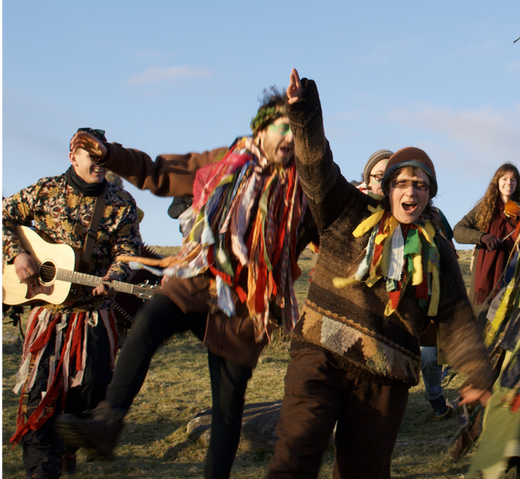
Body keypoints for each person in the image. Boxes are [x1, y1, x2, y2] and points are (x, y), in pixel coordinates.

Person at [56, 76, 315, 479]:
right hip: (196, 281)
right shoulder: (224, 162)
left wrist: (306, 111)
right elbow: (158, 171)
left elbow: (338, 219)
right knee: (147, 323)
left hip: (244, 307)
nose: (287, 137)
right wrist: (109, 153)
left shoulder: (306, 189)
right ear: (260, 128)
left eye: (295, 130)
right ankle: (108, 421)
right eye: (280, 126)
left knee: (227, 410)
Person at [265, 70, 492, 479]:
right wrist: (304, 113)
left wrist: (479, 376)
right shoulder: (348, 210)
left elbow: (457, 318)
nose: (411, 191)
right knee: (295, 456)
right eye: (403, 182)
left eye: (421, 185)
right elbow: (316, 168)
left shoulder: (438, 248)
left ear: (429, 194)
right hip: (322, 355)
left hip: (385, 379)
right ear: (388, 189)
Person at [1, 128, 143, 479]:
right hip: (48, 316)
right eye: (90, 154)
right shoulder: (45, 191)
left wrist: (114, 276)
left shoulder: (121, 204)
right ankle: (42, 468)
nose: (98, 162)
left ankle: (68, 447)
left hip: (94, 317)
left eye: (102, 155)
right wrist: (17, 255)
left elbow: (128, 251)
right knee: (39, 395)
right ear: (72, 157)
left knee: (91, 392)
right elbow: (2, 215)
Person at [356, 148, 453, 419]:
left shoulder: (428, 218)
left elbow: (448, 248)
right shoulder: (357, 215)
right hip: (374, 318)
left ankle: (436, 400)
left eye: (418, 184)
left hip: (424, 305)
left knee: (431, 358)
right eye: (377, 176)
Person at [453, 163, 520, 321]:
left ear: (517, 183)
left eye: (513, 179)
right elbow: (458, 231)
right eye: (504, 178)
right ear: (497, 182)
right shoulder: (484, 208)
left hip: (512, 274)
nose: (509, 182)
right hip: (485, 279)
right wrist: (482, 237)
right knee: (480, 322)